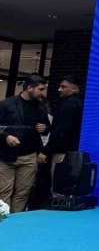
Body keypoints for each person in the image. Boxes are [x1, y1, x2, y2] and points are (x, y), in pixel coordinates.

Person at [0, 75, 50, 212]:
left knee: (23, 192)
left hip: (29, 156)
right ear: (29, 88)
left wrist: (45, 128)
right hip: (6, 155)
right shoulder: (7, 104)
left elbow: (47, 126)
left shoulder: (40, 106)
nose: (42, 92)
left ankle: (16, 220)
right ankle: (4, 219)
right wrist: (6, 136)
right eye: (40, 89)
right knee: (4, 192)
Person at [39, 75, 84, 185]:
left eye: (63, 87)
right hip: (78, 152)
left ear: (74, 89)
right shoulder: (84, 103)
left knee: (58, 188)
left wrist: (46, 151)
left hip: (62, 152)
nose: (59, 89)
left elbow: (61, 129)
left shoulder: (68, 104)